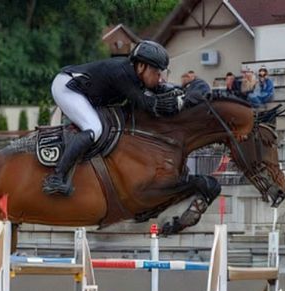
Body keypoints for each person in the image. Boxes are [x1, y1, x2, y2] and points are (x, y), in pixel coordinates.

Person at [42, 40, 184, 196]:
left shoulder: (135, 74)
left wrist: (180, 92)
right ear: (141, 66)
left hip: (85, 92)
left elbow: (156, 90)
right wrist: (175, 103)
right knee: (94, 128)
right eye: (157, 72)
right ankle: (57, 177)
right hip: (67, 88)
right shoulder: (122, 73)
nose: (160, 78)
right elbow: (145, 103)